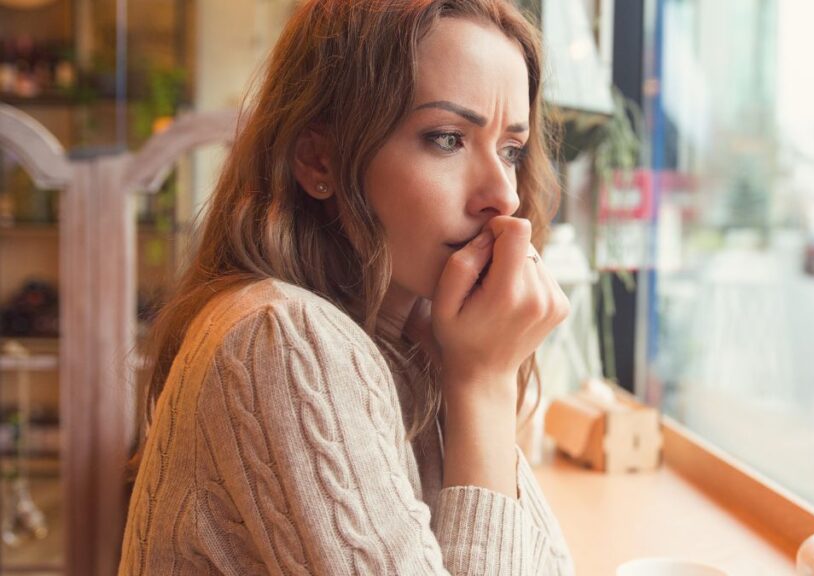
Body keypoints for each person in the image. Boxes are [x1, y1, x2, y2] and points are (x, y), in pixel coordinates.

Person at [118, 0, 575, 574]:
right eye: (447, 138)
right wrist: (485, 384)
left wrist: (474, 380)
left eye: (511, 150)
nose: (503, 196)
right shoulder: (281, 336)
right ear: (319, 159)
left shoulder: (420, 340)